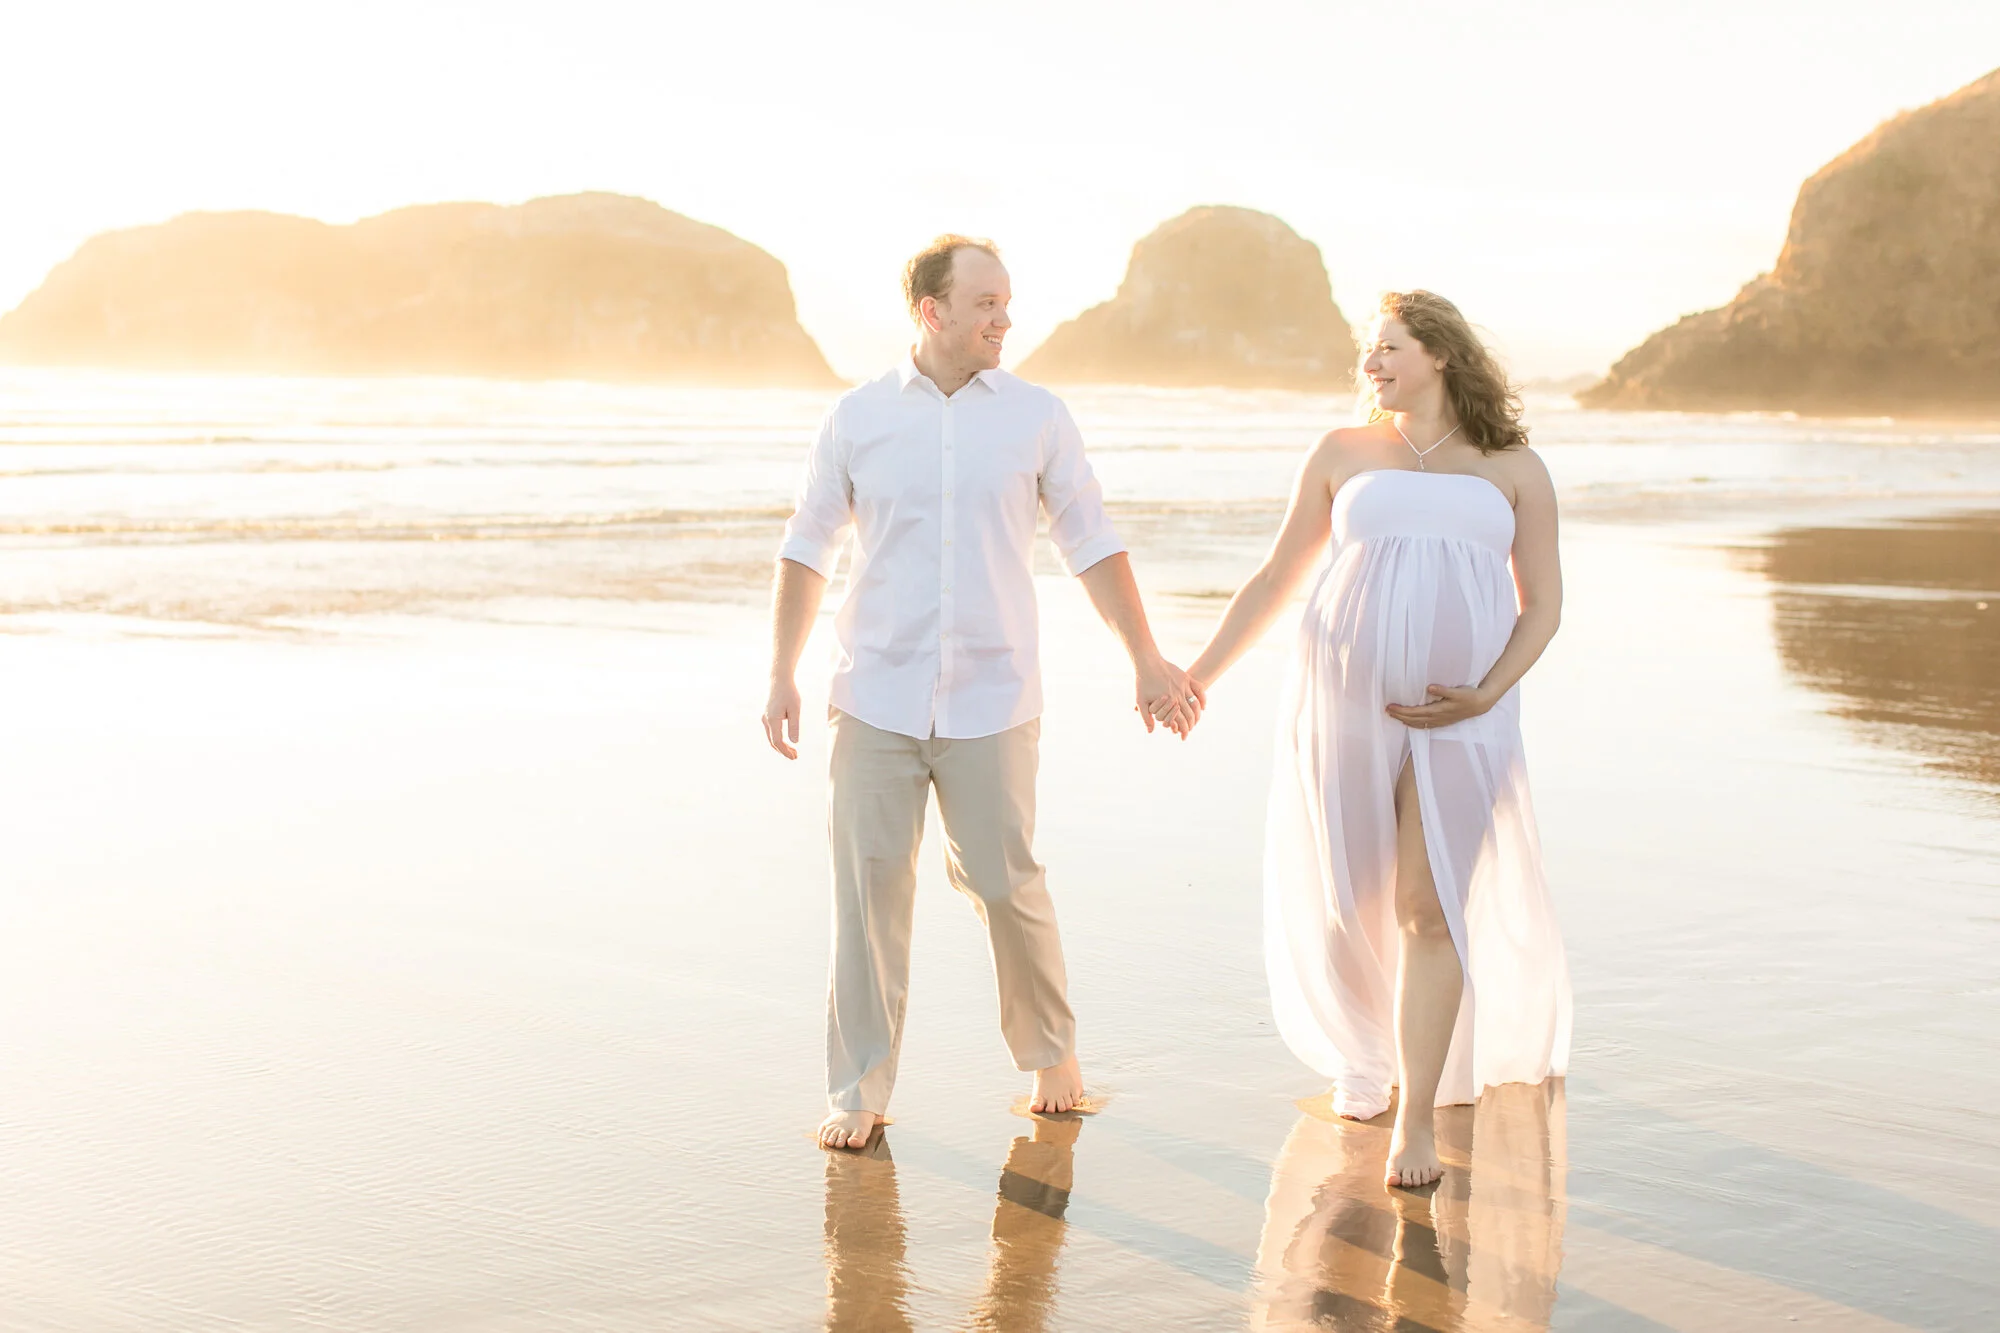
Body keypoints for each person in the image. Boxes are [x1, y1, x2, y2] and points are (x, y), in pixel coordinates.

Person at [763, 235, 1202, 1151]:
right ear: (933, 310)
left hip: (994, 696)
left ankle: (1052, 1054)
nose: (1005, 320)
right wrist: (781, 673)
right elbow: (808, 548)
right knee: (869, 892)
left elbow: (1092, 540)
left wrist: (1146, 658)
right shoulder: (857, 418)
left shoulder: (1036, 416)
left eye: (1006, 303)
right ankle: (859, 1089)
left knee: (1006, 882)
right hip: (875, 692)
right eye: (987, 304)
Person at [1179, 291, 1571, 1188]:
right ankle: (1365, 1056)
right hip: (1341, 703)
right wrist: (1198, 674)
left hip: (1467, 715)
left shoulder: (1514, 467)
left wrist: (1486, 694)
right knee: (1350, 894)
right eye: (1369, 351)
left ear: (1438, 353)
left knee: (1429, 911)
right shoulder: (1341, 452)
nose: (1373, 364)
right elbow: (1279, 575)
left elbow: (1544, 606)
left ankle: (1419, 1123)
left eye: (1389, 347)